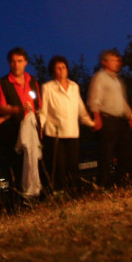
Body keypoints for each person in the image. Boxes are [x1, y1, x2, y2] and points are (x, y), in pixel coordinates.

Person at [0, 46, 42, 196]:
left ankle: (34, 197)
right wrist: (17, 110)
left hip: (32, 130)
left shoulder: (32, 81)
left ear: (26, 62)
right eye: (13, 62)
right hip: (12, 132)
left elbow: (38, 105)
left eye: (19, 61)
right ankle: (18, 202)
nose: (16, 65)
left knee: (33, 164)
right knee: (16, 167)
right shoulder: (3, 83)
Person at [39, 55, 93, 193]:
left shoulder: (74, 86)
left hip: (72, 132)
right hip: (55, 133)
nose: (61, 70)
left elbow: (80, 108)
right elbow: (43, 110)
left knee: (73, 164)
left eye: (63, 67)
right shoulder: (48, 87)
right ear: (53, 71)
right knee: (58, 166)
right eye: (58, 68)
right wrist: (40, 126)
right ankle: (59, 193)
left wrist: (91, 123)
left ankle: (74, 191)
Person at [86, 50, 132, 187]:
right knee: (106, 153)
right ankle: (104, 184)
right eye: (114, 60)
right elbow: (94, 98)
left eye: (118, 60)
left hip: (120, 120)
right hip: (107, 119)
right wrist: (97, 117)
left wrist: (130, 114)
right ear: (105, 62)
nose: (117, 63)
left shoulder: (117, 80)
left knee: (125, 151)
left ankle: (123, 181)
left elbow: (121, 100)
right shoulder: (100, 77)